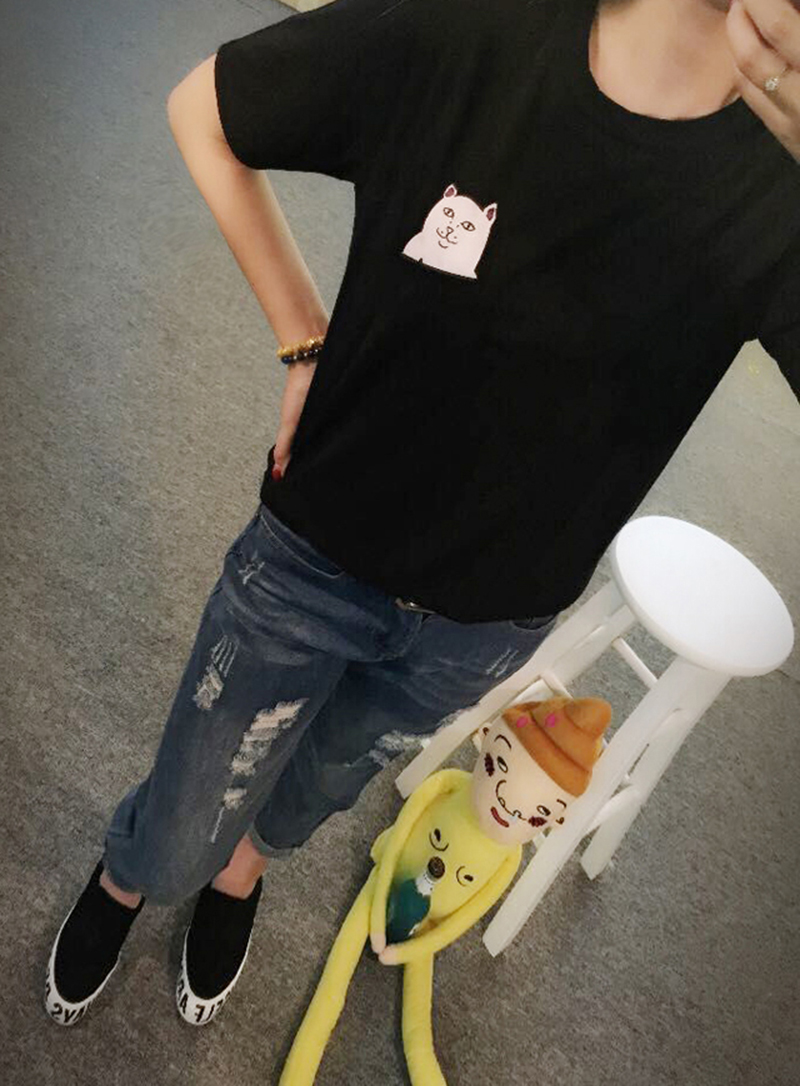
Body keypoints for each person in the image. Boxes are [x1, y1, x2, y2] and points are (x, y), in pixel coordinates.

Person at [45, 0, 799, 1028]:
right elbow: (204, 109)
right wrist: (301, 339)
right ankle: (132, 874)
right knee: (181, 822)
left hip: (487, 622)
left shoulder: (781, 185)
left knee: (318, 785)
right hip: (312, 555)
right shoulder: (466, 29)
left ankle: (244, 873)